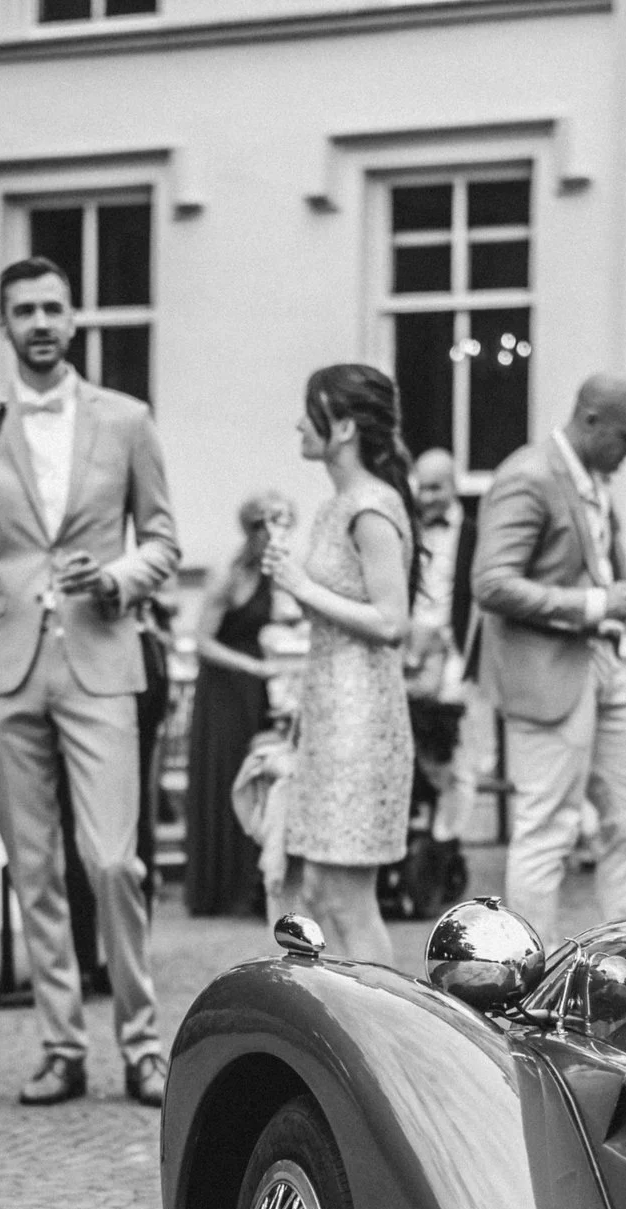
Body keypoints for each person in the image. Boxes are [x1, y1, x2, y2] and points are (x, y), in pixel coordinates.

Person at [0, 255, 181, 1107]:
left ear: (74, 319)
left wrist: (114, 578)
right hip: (3, 667)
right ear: (3, 324)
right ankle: (61, 1044)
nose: (39, 322)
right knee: (32, 868)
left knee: (112, 861)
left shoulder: (127, 419)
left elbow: (164, 542)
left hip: (100, 657)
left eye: (53, 308)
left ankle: (142, 1043)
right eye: (24, 310)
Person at [470, 375, 626, 943]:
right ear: (590, 420)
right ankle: (529, 976)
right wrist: (596, 604)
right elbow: (491, 583)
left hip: (603, 666)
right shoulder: (528, 476)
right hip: (547, 678)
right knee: (547, 832)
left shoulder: (590, 479)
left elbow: (589, 573)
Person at [261, 366, 417, 963]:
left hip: (363, 718)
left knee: (349, 901)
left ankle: (384, 1017)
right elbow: (336, 606)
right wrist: (293, 587)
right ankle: (344, 1012)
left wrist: (301, 585)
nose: (299, 423)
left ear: (345, 426)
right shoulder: (334, 507)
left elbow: (392, 621)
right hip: (327, 711)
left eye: (312, 410)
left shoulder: (372, 506)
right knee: (320, 895)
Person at [184, 492, 288, 916]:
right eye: (271, 527)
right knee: (226, 777)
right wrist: (253, 666)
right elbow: (202, 642)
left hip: (252, 691)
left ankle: (252, 886)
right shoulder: (226, 576)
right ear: (254, 530)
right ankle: (221, 889)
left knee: (256, 778)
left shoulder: (270, 573)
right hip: (223, 691)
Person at [415, 449, 492, 850]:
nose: (427, 497)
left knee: (457, 744)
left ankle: (449, 839)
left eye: (435, 488)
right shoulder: (409, 530)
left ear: (453, 486)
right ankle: (426, 833)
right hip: (413, 653)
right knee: (420, 739)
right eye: (422, 487)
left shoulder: (477, 534)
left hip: (458, 654)